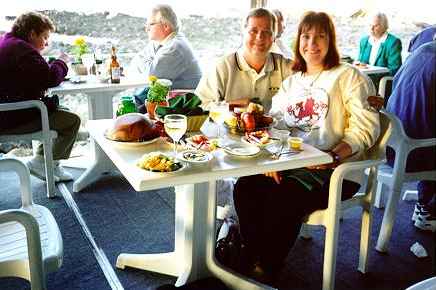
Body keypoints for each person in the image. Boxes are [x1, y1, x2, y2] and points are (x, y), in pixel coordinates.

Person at [231, 11, 380, 284]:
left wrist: (334, 156)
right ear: (298, 40)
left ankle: (267, 267)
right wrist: (272, 160)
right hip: (290, 163)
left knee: (282, 198)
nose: (312, 43)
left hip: (335, 170)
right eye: (306, 36)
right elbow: (276, 123)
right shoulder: (293, 80)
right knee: (245, 187)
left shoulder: (349, 76)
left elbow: (366, 129)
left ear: (331, 40)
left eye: (320, 36)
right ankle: (252, 255)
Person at [0, 11, 80, 182]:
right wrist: (62, 62)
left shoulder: (9, 42)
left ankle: (49, 164)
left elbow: (34, 74)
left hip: (8, 112)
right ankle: (41, 162)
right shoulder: (21, 49)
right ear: (32, 33)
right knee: (72, 120)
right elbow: (50, 79)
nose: (46, 43)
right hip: (11, 117)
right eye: (44, 37)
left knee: (62, 111)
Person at [195, 8, 292, 111]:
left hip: (274, 127)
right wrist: (234, 105)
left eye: (267, 32)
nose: (260, 37)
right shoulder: (222, 67)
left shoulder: (284, 66)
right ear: (243, 32)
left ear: (274, 37)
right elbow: (199, 106)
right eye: (253, 31)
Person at [386, 40, 436, 231]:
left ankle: (424, 203)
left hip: (389, 144)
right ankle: (430, 210)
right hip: (414, 152)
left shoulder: (421, 51)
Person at [128, 4, 202, 111]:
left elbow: (151, 76)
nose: (146, 29)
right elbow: (136, 61)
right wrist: (150, 62)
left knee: (131, 106)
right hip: (171, 98)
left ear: (166, 26)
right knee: (134, 100)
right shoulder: (161, 42)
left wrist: (149, 62)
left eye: (150, 24)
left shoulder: (175, 47)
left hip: (184, 104)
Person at [357, 12, 402, 88]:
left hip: (380, 83)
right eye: (370, 25)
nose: (371, 28)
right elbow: (360, 63)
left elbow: (394, 69)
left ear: (384, 26)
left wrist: (373, 74)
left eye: (375, 26)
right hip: (363, 81)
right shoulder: (364, 41)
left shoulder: (393, 42)